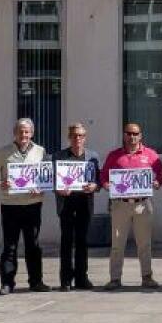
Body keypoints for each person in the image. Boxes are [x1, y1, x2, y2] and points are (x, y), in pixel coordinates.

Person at [0, 118, 49, 295]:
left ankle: (36, 282)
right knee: (10, 246)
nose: (24, 135)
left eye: (27, 131)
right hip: (10, 205)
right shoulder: (4, 152)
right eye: (20, 131)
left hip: (32, 205)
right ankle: (7, 283)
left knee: (33, 245)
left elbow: (45, 176)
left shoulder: (40, 151)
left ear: (32, 133)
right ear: (15, 133)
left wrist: (42, 189)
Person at [99, 122, 162, 290]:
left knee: (144, 243)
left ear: (140, 135)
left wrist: (158, 182)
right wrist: (106, 185)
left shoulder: (150, 155)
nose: (132, 136)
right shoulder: (114, 155)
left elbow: (161, 172)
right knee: (117, 244)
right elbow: (103, 175)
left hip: (143, 205)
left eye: (135, 133)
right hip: (120, 205)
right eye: (128, 133)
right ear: (124, 135)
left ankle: (147, 277)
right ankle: (115, 279)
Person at [51, 123, 100, 291]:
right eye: (74, 135)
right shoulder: (59, 156)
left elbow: (98, 180)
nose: (77, 138)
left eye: (80, 135)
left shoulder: (93, 156)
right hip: (66, 205)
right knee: (66, 242)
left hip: (85, 205)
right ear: (69, 137)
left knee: (82, 242)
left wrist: (95, 186)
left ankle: (81, 278)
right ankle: (65, 279)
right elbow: (51, 180)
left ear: (85, 138)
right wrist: (57, 188)